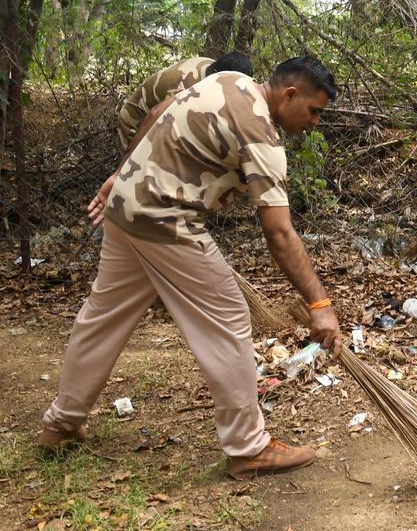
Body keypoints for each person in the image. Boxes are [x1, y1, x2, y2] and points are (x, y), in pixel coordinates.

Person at [39, 56, 343, 481]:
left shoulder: (229, 80)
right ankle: (249, 447)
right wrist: (320, 304)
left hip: (127, 206)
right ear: (290, 94)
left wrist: (120, 174)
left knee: (103, 316)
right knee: (228, 316)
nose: (314, 122)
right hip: (165, 220)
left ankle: (61, 423)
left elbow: (158, 113)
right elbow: (279, 233)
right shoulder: (261, 135)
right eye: (313, 111)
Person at [117, 51, 254, 149]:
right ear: (216, 74)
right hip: (136, 122)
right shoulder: (182, 89)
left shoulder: (215, 71)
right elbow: (165, 131)